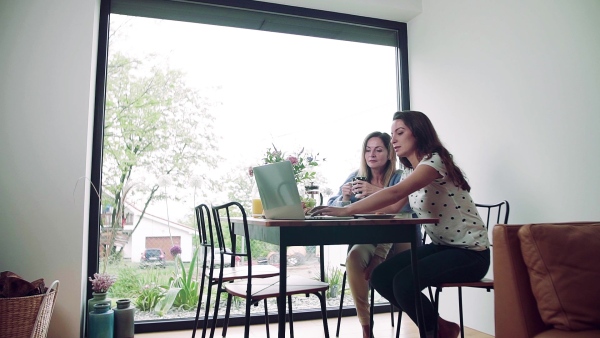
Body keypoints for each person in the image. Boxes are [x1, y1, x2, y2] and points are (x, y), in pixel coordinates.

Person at [313, 111, 489, 338]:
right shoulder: (411, 170)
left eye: (400, 132)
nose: (393, 139)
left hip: (471, 254)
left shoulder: (435, 162)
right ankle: (442, 328)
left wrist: (347, 210)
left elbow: (395, 192)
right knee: (381, 277)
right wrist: (346, 209)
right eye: (392, 133)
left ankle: (434, 332)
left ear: (417, 133)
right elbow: (393, 207)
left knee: (404, 282)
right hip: (442, 247)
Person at [327, 131, 416, 338]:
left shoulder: (399, 176)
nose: (372, 154)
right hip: (369, 238)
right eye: (368, 150)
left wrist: (375, 190)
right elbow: (333, 205)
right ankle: (366, 326)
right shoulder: (357, 176)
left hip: (399, 241)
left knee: (393, 236)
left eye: (378, 149)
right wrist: (345, 197)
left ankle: (379, 260)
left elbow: (406, 207)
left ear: (389, 153)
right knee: (354, 257)